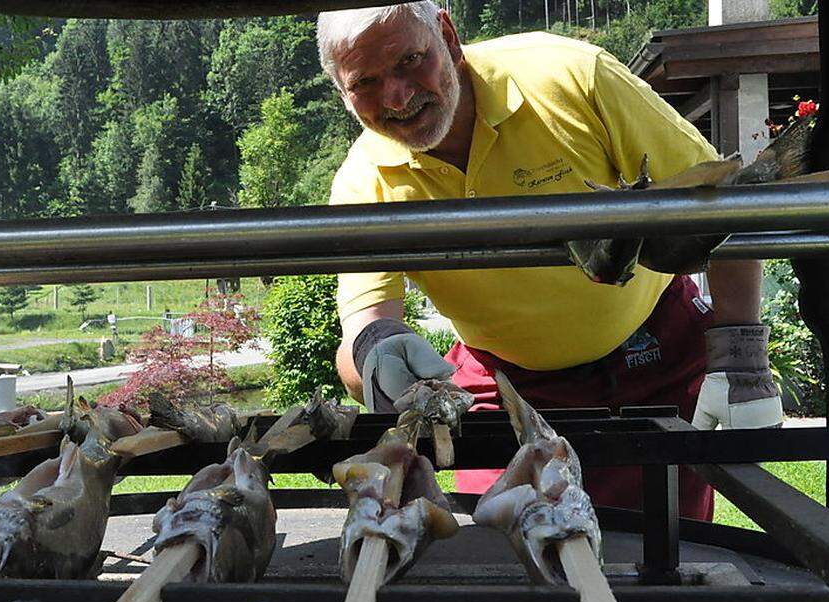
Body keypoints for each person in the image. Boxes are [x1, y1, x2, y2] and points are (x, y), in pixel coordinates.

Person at [317, 2, 783, 521]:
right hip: (506, 385)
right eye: (365, 83)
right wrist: (377, 353)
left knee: (663, 548)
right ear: (340, 91)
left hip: (655, 357)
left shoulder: (573, 76)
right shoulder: (364, 180)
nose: (396, 96)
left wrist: (740, 350)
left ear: (447, 35)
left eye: (409, 61)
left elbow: (717, 200)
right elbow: (365, 322)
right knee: (498, 550)